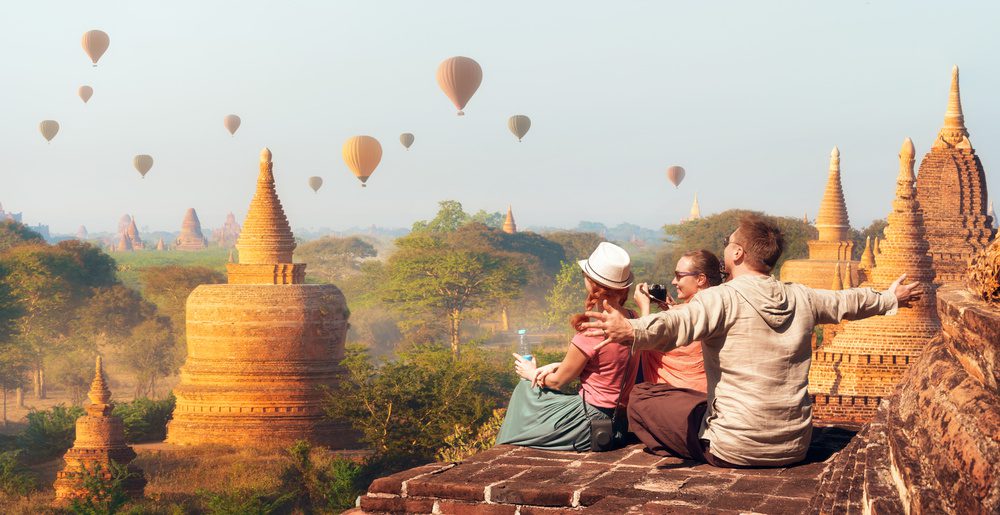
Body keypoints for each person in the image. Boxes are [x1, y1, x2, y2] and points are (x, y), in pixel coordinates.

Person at [580, 214, 923, 467]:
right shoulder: (802, 296)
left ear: (739, 254)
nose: (726, 248)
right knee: (684, 397)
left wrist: (632, 331)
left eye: (729, 243)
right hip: (794, 445)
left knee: (642, 398)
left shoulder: (721, 298)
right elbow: (848, 301)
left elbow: (676, 322)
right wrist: (890, 298)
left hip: (733, 447)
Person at [495, 242, 640, 451]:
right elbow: (608, 364)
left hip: (592, 421)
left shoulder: (592, 332)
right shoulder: (634, 321)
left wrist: (530, 372)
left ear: (591, 283)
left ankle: (503, 446)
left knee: (526, 389)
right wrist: (557, 364)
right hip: (622, 419)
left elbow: (557, 382)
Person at [633, 249, 723, 392]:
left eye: (679, 276)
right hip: (706, 392)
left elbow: (645, 340)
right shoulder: (721, 308)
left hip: (674, 397)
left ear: (700, 279)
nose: (674, 281)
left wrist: (644, 307)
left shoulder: (685, 313)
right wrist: (671, 310)